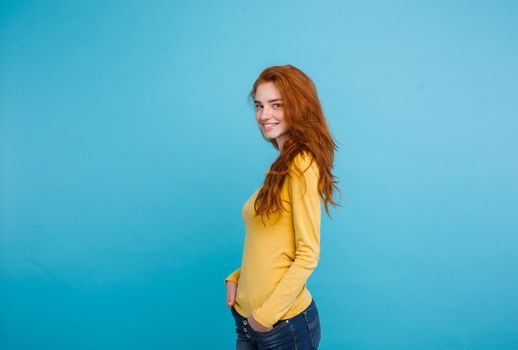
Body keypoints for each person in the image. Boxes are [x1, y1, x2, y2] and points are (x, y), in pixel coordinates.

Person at [224, 64, 340, 349]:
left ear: (299, 106)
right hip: (249, 320)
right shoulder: (281, 165)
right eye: (260, 105)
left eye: (277, 105)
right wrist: (238, 278)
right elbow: (270, 242)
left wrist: (264, 318)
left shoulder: (301, 165)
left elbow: (307, 253)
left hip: (280, 326)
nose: (265, 115)